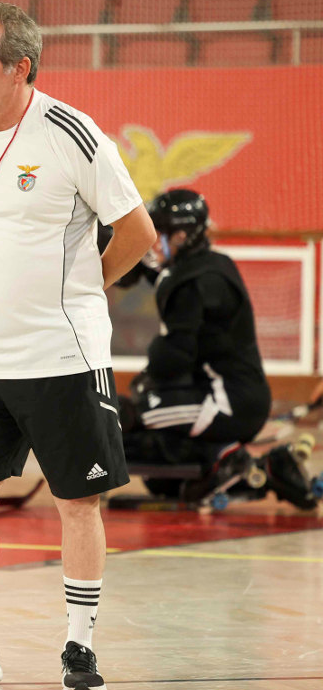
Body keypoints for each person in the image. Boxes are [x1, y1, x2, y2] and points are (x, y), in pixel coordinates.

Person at [0, 2, 157, 690]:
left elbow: (138, 232)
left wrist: (86, 289)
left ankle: (79, 649)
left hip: (64, 356)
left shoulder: (71, 134)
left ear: (20, 67)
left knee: (76, 503)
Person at [112, 189, 319, 508]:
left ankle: (224, 457)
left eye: (160, 234)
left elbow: (174, 356)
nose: (153, 243)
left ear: (181, 236)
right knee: (161, 480)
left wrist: (149, 376)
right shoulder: (210, 267)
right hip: (236, 396)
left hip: (227, 403)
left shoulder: (195, 282)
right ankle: (256, 470)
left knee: (127, 413)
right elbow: (176, 288)